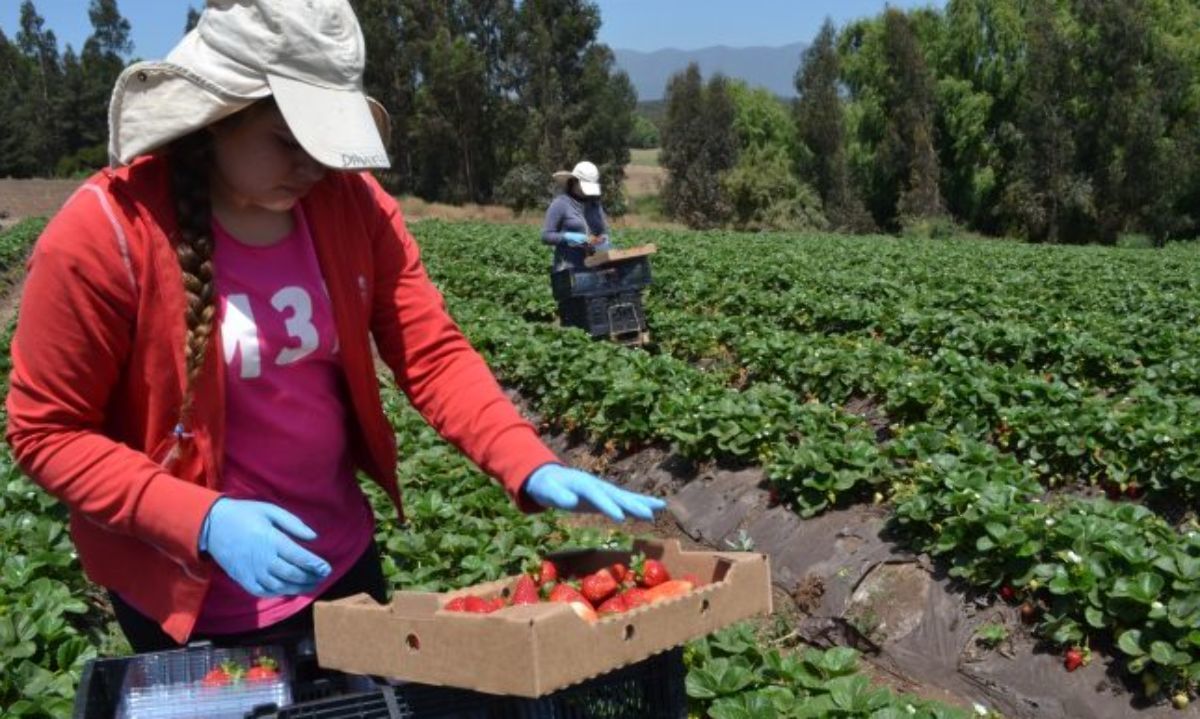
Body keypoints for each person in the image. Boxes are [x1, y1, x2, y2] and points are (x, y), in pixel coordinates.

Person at [4, 0, 665, 654]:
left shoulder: (353, 207)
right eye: (289, 142)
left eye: (323, 141)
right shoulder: (106, 234)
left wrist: (524, 457)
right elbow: (46, 432)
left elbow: (430, 352)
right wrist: (201, 519)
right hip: (188, 592)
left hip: (339, 566)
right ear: (216, 118)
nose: (313, 165)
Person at [541, 161, 613, 273]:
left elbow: (604, 231)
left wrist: (602, 242)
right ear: (574, 181)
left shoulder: (595, 205)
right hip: (568, 269)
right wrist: (570, 237)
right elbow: (546, 236)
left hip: (594, 268)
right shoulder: (560, 204)